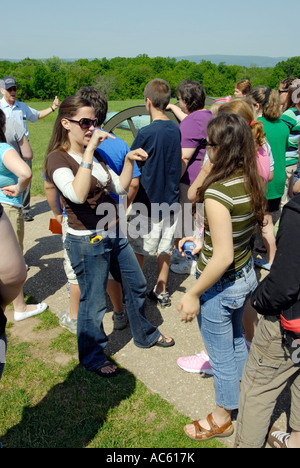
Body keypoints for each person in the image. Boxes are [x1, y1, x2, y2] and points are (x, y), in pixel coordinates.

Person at [44, 95, 175, 378]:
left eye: (94, 121)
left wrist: (127, 160)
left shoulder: (99, 155)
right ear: (66, 123)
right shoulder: (58, 159)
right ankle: (92, 356)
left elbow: (119, 186)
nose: (91, 127)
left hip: (113, 233)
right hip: (86, 240)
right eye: (85, 122)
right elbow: (77, 194)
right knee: (93, 302)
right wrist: (89, 153)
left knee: (137, 283)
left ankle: (145, 335)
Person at [177, 113, 266, 442]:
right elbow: (230, 238)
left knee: (221, 356)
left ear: (221, 149)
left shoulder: (217, 194)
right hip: (245, 277)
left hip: (220, 285)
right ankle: (242, 400)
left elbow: (222, 256)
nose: (205, 149)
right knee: (235, 344)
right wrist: (202, 243)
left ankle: (222, 417)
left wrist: (192, 293)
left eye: (209, 144)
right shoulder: (250, 178)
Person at [235, 193, 300, 449]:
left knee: (256, 391)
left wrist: (257, 300)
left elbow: (283, 286)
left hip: (288, 324)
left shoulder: (296, 213)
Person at [128, 78, 182, 308]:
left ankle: (136, 289)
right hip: (170, 198)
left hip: (147, 200)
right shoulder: (175, 129)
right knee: (164, 248)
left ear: (148, 101)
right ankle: (161, 289)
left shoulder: (145, 133)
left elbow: (132, 165)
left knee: (138, 249)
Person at [0, 110, 48, 321]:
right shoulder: (4, 149)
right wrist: (19, 188)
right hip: (8, 206)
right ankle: (19, 306)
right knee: (14, 257)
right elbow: (26, 172)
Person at [167, 79, 213, 275]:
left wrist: (172, 182)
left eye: (178, 100)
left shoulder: (192, 123)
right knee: (196, 218)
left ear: (186, 100)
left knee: (188, 218)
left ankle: (189, 259)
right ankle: (186, 252)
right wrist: (171, 107)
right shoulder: (206, 115)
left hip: (190, 179)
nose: (178, 103)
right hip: (203, 178)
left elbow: (184, 156)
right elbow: (187, 118)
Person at [0, 76, 60, 221]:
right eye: (9, 89)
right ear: (2, 90)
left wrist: (53, 108)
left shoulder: (22, 107)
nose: (13, 91)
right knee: (7, 177)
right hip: (6, 146)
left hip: (22, 146)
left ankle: (24, 209)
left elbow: (37, 115)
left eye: (14, 88)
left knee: (26, 176)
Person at [248, 86, 289, 269]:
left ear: (257, 105)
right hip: (278, 177)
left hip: (263, 180)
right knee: (269, 218)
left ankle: (272, 261)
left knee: (265, 223)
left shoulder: (257, 125)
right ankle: (268, 250)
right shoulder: (283, 125)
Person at [278, 78, 300, 208]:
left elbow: (280, 136)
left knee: (282, 199)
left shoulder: (289, 114)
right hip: (293, 161)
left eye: (280, 91)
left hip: (285, 160)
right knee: (289, 195)